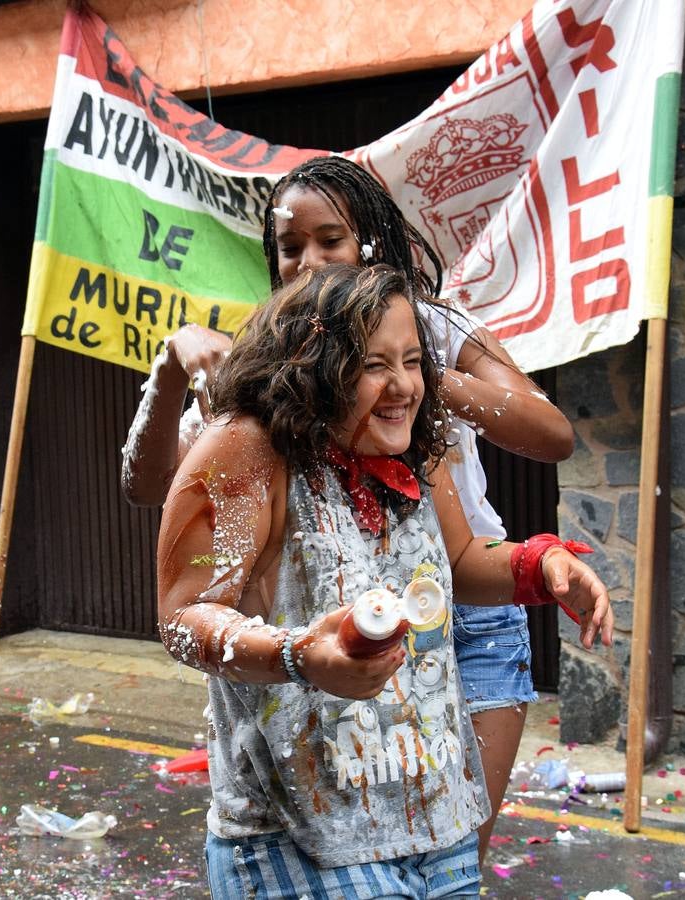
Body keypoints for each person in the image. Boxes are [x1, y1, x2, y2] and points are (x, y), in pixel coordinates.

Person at [121, 155, 574, 861]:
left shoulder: (434, 336)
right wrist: (175, 364)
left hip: (473, 610)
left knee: (448, 852)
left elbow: (551, 436)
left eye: (330, 240)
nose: (309, 261)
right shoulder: (268, 367)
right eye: (290, 247)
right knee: (350, 845)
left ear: (370, 241)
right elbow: (156, 500)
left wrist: (399, 367)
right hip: (337, 628)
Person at [157, 263, 612, 899]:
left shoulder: (416, 449)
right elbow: (185, 618)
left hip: (436, 823)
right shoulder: (244, 450)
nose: (404, 386)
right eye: (374, 365)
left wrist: (540, 567)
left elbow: (456, 563)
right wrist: (300, 655)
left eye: (413, 361)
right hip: (298, 845)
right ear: (314, 365)